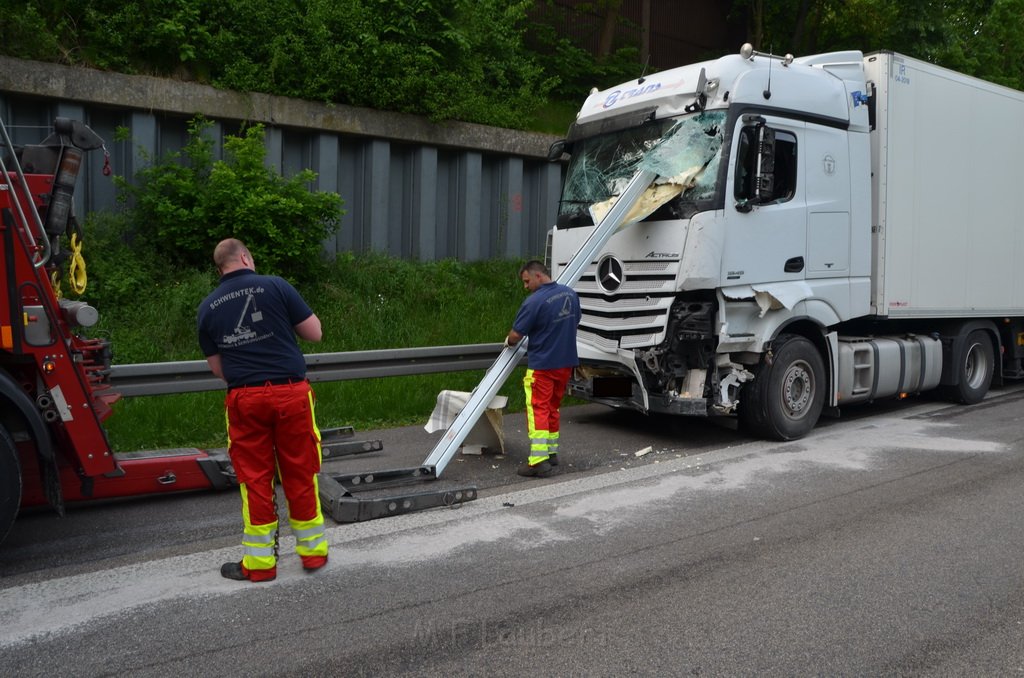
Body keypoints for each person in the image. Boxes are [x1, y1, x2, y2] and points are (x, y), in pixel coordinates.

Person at [197, 238, 328, 582]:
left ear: (220, 267)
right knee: (300, 472)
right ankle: (313, 555)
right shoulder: (276, 285)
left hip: (245, 399)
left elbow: (216, 368)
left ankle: (259, 565)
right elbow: (315, 334)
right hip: (291, 394)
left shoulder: (207, 307)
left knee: (254, 478)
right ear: (245, 257)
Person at [505, 260, 581, 477]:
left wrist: (508, 342)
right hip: (565, 363)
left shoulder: (534, 302)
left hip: (543, 366)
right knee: (553, 408)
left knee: (538, 408)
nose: (525, 286)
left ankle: (538, 462)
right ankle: (550, 453)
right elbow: (574, 322)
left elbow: (516, 336)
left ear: (538, 275)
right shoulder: (570, 295)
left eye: (527, 281)